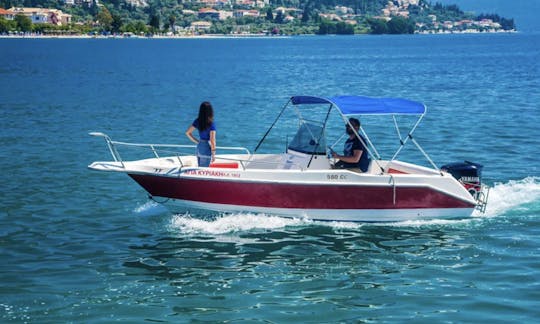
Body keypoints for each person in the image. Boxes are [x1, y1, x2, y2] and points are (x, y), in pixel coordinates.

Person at [185, 101, 216, 167]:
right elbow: (212, 140)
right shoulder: (211, 123)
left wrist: (197, 141)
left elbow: (188, 133)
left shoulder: (197, 121)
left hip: (199, 147)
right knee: (204, 170)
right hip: (206, 148)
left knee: (200, 168)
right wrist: (213, 153)